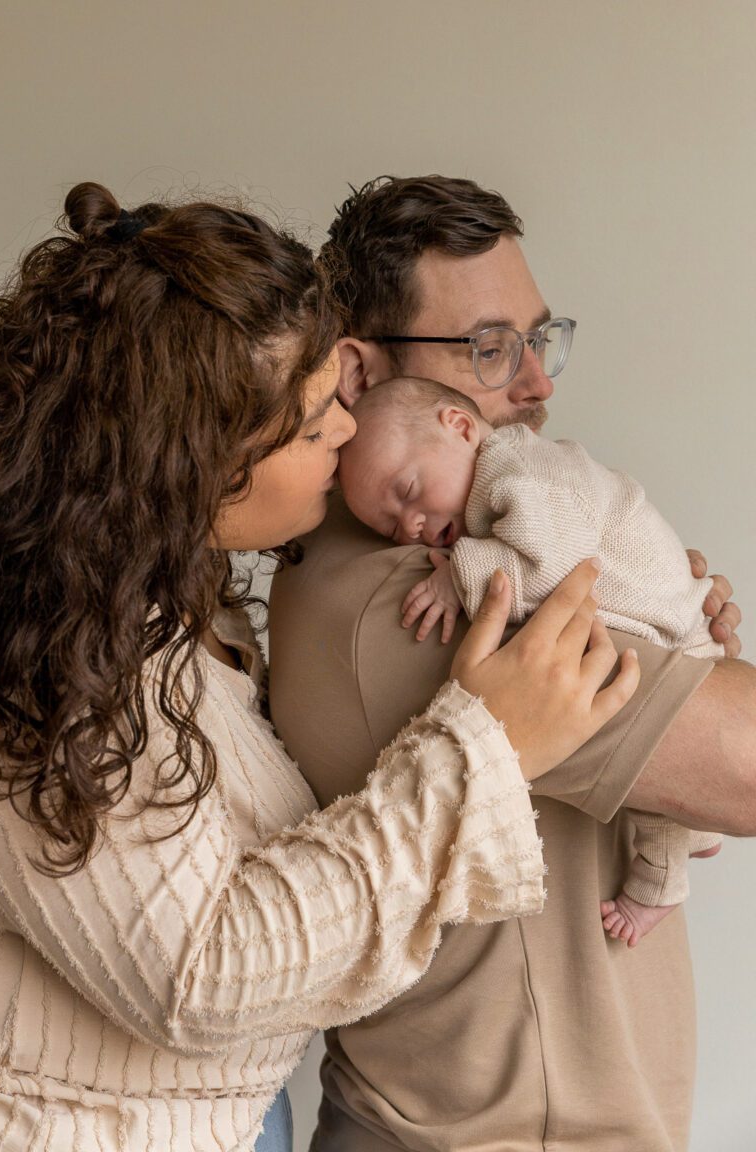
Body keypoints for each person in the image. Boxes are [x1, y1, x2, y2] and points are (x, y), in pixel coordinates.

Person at [0, 181, 641, 1152]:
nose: (346, 426)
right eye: (307, 425)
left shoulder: (175, 617)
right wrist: (483, 748)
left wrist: (654, 584)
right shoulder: (44, 671)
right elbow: (204, 975)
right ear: (185, 460)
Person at [267, 175, 755, 1151]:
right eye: (490, 348)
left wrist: (664, 616)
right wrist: (690, 668)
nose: (536, 382)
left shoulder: (424, 554)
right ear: (359, 374)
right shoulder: (411, 602)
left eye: (541, 338)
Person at [337, 373, 725, 947]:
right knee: (666, 794)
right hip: (672, 622)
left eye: (409, 489)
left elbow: (553, 571)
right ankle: (694, 834)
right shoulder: (507, 475)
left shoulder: (515, 473)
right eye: (391, 525)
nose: (412, 525)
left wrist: (456, 576)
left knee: (670, 799)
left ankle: (660, 886)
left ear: (461, 427)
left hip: (681, 634)